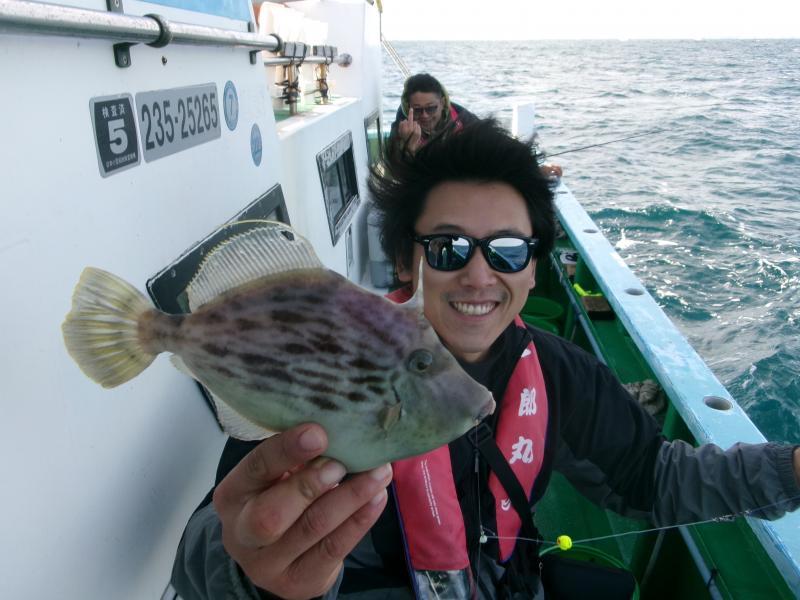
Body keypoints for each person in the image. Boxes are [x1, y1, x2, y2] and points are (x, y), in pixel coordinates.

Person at [170, 119, 800, 599]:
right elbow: (205, 553)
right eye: (448, 248)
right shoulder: (331, 356)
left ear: (533, 269)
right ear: (406, 260)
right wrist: (253, 576)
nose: (478, 275)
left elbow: (656, 478)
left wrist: (790, 472)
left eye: (507, 250)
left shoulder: (558, 373)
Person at [388, 73, 562, 180]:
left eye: (431, 108)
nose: (425, 115)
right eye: (417, 110)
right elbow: (399, 178)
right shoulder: (400, 130)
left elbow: (498, 143)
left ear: (442, 103)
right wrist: (408, 147)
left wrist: (534, 168)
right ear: (408, 108)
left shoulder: (461, 118)